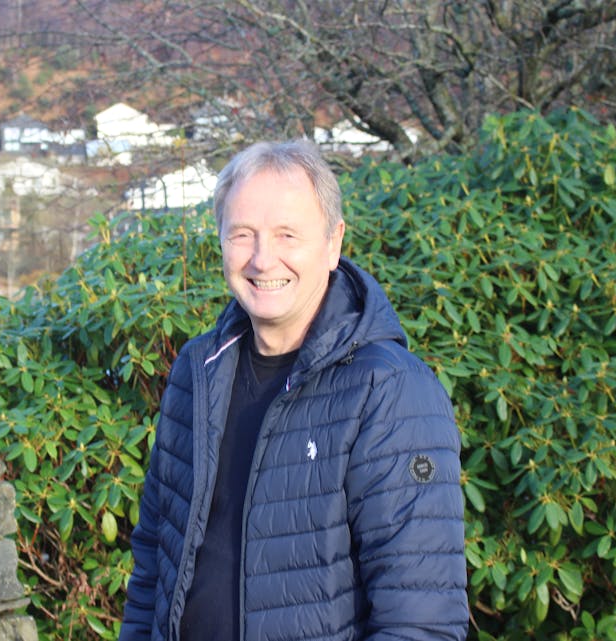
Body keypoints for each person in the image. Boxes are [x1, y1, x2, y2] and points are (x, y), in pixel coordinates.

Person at [119, 140, 468, 641]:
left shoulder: (388, 392)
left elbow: (420, 621)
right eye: (243, 234)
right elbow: (154, 564)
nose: (263, 259)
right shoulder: (197, 373)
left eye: (288, 234)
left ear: (333, 243)